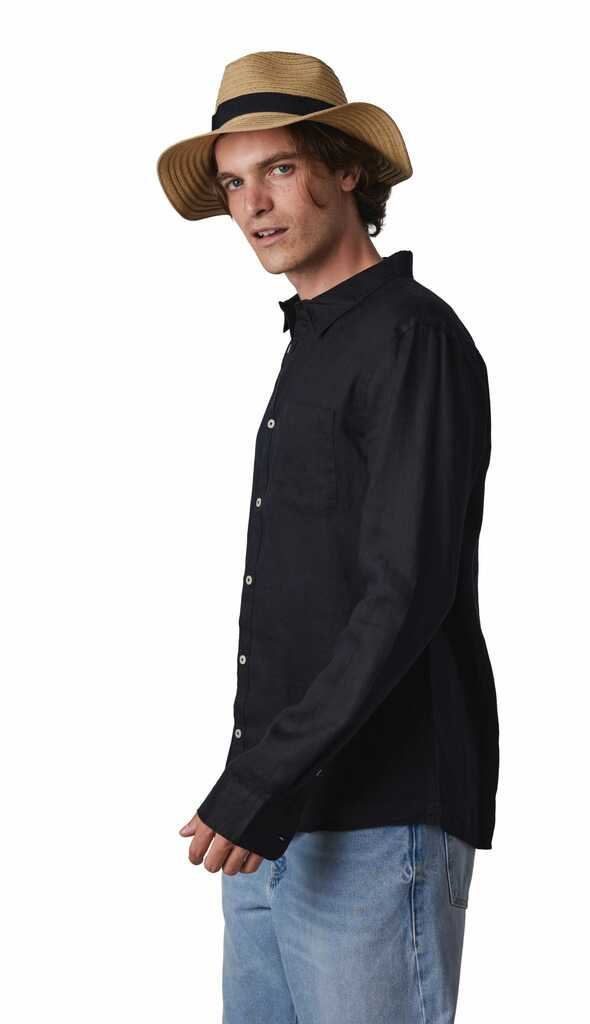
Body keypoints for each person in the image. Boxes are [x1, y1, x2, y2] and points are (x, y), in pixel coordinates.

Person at [157, 49, 499, 1023]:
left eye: (278, 168)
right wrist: (258, 786)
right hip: (273, 816)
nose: (253, 205)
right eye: (234, 182)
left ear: (346, 170)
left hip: (375, 810)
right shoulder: (315, 342)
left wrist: (259, 782)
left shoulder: (409, 337)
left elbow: (404, 590)